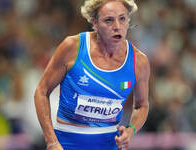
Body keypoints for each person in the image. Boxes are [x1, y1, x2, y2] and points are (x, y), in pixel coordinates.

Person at [34, 0, 150, 150]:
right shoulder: (73, 47)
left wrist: (131, 130)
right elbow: (41, 92)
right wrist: (51, 142)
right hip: (66, 143)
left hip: (109, 144)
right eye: (109, 20)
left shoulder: (139, 61)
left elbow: (142, 106)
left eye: (122, 18)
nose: (117, 26)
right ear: (95, 23)